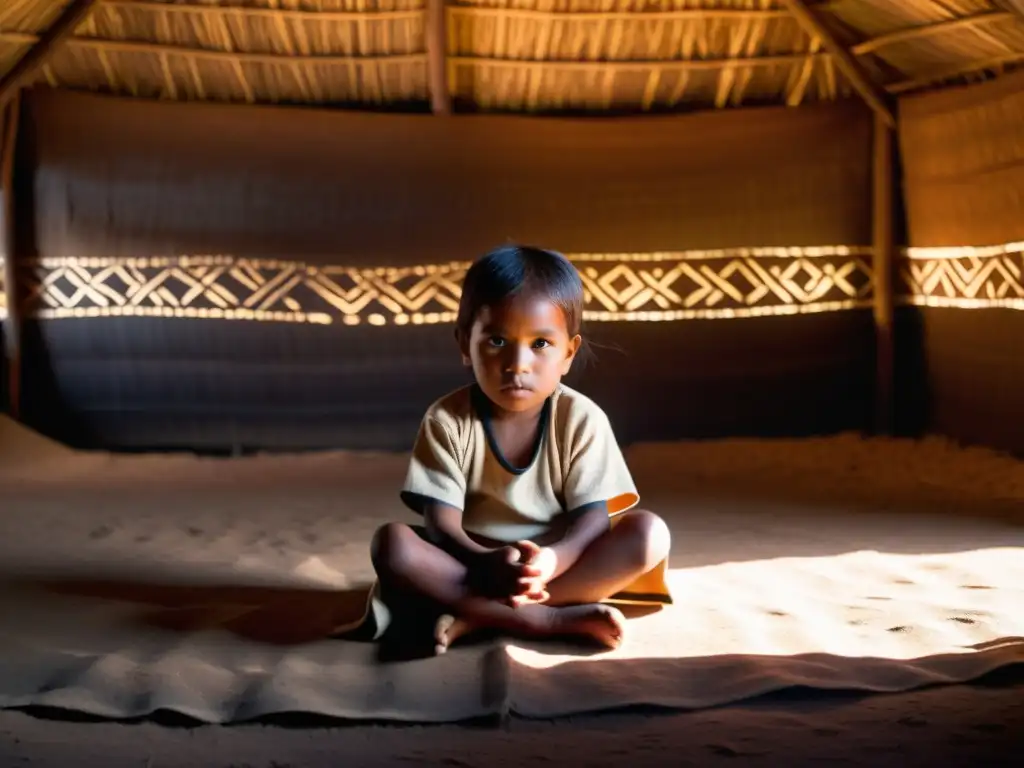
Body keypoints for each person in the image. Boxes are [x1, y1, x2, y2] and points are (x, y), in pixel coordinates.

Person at [371, 245, 672, 656]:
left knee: (648, 535)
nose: (517, 363)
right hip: (471, 562)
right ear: (464, 343)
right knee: (392, 545)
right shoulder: (447, 419)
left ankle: (480, 615)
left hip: (560, 560)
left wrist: (551, 560)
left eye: (541, 344)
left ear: (569, 352)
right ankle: (545, 620)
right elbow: (442, 524)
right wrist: (484, 563)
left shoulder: (582, 419)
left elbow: (591, 524)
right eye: (497, 340)